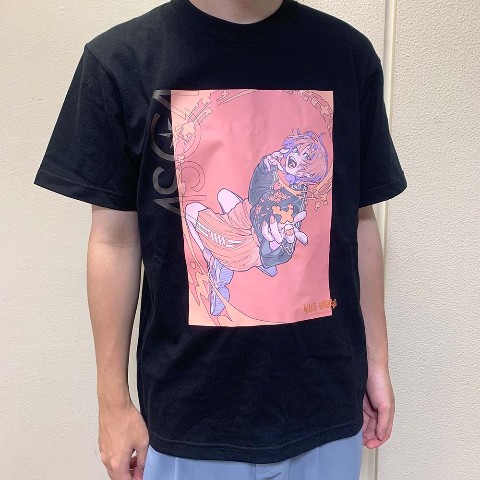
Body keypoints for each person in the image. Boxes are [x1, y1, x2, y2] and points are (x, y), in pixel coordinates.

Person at [33, 0, 408, 479]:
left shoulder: (347, 56)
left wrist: (377, 362)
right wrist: (112, 401)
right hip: (187, 413)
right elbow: (114, 241)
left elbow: (359, 220)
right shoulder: (121, 60)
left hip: (327, 404)